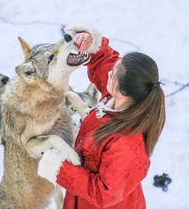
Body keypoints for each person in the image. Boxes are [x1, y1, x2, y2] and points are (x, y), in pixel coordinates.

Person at [38, 25, 166, 209]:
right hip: (80, 198)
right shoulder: (119, 98)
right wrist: (92, 44)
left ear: (124, 91)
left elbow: (104, 192)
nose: (109, 72)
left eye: (113, 75)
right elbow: (106, 61)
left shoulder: (126, 144)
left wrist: (59, 168)